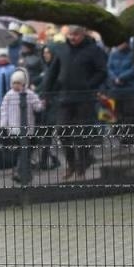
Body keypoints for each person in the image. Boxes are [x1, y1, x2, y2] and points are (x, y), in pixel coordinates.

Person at [41, 25, 108, 179]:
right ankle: (71, 163)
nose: (72, 38)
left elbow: (102, 71)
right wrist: (45, 93)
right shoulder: (62, 50)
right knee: (62, 131)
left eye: (76, 35)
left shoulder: (93, 50)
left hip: (85, 99)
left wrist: (89, 85)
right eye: (70, 35)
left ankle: (82, 164)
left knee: (82, 134)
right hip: (65, 98)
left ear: (83, 34)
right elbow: (53, 72)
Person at [0, 68, 44, 185]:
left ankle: (22, 173)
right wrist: (3, 125)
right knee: (22, 152)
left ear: (24, 84)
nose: (16, 85)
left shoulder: (29, 94)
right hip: (14, 130)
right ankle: (24, 173)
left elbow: (37, 107)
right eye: (14, 83)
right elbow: (3, 110)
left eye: (18, 83)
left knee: (25, 151)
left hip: (27, 130)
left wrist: (42, 104)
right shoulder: (8, 95)